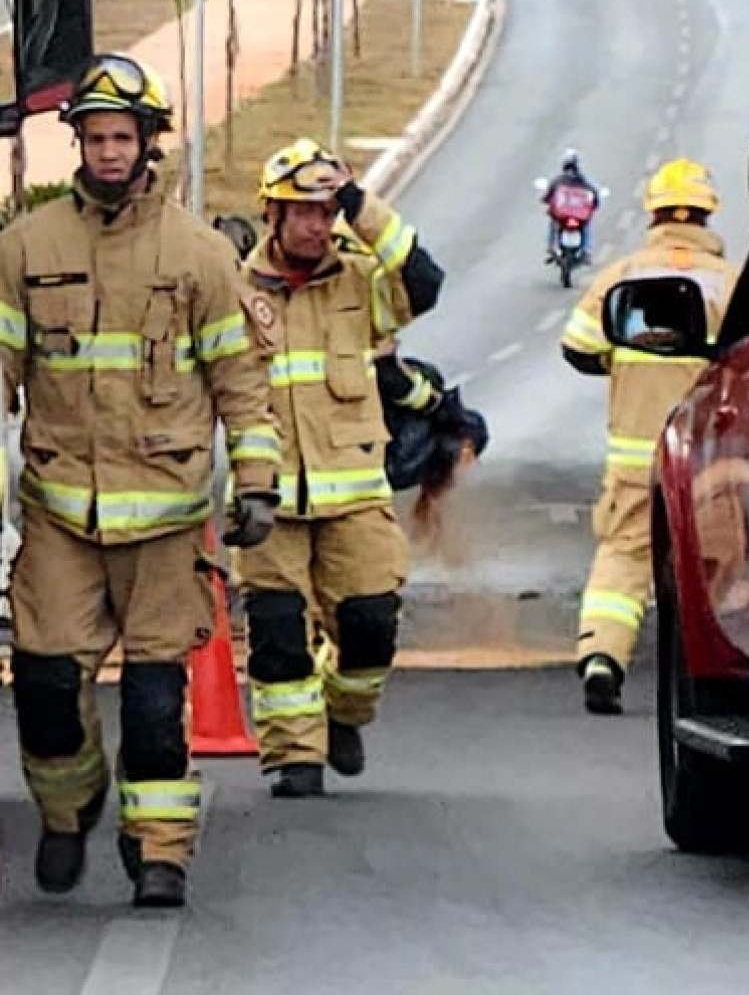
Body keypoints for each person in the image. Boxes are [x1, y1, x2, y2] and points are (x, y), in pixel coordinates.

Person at [0, 54, 281, 909]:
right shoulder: (25, 248)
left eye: (124, 136)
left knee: (158, 705)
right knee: (47, 691)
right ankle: (69, 805)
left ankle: (160, 851)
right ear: (77, 141)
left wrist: (258, 482)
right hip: (57, 515)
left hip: (165, 525)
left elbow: (241, 380)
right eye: (96, 135)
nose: (110, 151)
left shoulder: (197, 255)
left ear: (149, 143)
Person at [236, 140, 444, 799]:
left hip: (353, 499)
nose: (317, 225)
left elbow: (424, 281)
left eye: (327, 211)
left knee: (370, 626)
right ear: (272, 213)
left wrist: (362, 203)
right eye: (302, 211)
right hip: (270, 504)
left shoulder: (360, 281)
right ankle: (293, 757)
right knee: (276, 635)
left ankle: (343, 712)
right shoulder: (235, 293)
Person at [560, 157, 737, 715]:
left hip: (635, 457)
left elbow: (578, 346)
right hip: (707, 458)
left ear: (652, 213)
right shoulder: (731, 283)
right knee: (719, 560)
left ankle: (602, 659)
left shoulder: (622, 277)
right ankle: (726, 668)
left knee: (623, 559)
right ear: (708, 215)